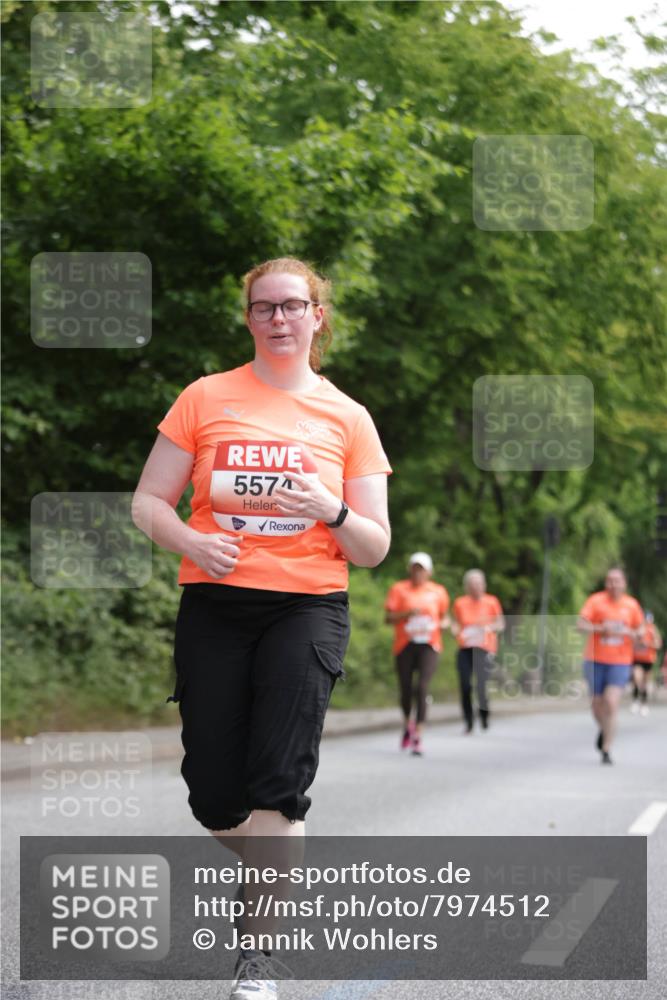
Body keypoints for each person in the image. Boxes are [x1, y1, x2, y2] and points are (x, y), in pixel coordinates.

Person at [131, 257, 392, 998]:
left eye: (291, 306)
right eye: (262, 308)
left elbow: (371, 547)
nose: (278, 319)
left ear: (317, 316)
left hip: (306, 605)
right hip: (215, 599)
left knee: (279, 782)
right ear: (248, 318)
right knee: (212, 792)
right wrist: (190, 541)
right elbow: (148, 501)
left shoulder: (347, 418)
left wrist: (329, 507)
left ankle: (258, 959)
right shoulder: (205, 397)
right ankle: (279, 870)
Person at [384, 553, 450, 756]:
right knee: (405, 688)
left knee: (421, 687)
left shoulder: (438, 592)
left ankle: (418, 735)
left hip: (429, 644)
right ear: (409, 569)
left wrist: (443, 624)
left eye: (421, 569)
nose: (418, 572)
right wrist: (406, 614)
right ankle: (407, 724)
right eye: (414, 567)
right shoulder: (399, 589)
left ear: (429, 572)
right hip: (405, 644)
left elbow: (445, 618)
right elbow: (387, 619)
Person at [577, 567, 644, 764]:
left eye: (617, 581)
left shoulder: (631, 605)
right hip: (595, 659)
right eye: (610, 581)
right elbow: (581, 625)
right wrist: (600, 628)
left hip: (620, 661)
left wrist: (636, 633)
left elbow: (640, 628)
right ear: (606, 583)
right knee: (597, 706)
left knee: (611, 702)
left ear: (624, 583)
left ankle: (606, 749)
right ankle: (605, 728)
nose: (613, 584)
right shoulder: (595, 601)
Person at [450, 569, 504, 733]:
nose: (476, 587)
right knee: (465, 685)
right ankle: (468, 721)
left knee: (482, 684)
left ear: (484, 585)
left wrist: (488, 627)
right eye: (472, 584)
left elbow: (500, 624)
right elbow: (455, 624)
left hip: (484, 648)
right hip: (465, 648)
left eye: (479, 584)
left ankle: (484, 713)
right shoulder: (460, 603)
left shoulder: (491, 601)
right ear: (467, 586)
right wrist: (455, 630)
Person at [631, 611, 662, 716]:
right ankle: (635, 700)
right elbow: (631, 642)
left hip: (648, 660)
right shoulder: (637, 629)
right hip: (637, 659)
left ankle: (644, 704)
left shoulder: (653, 630)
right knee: (636, 678)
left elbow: (658, 644)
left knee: (645, 682)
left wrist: (648, 644)